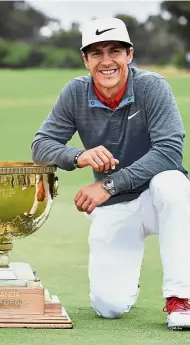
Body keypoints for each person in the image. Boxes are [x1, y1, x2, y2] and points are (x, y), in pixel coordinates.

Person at [31, 17, 190, 330]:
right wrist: (78, 155)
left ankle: (180, 298)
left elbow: (170, 151)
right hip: (117, 207)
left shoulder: (152, 86)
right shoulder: (75, 92)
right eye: (96, 53)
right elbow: (41, 146)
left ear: (129, 55)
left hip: (157, 201)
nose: (107, 61)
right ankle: (126, 283)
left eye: (115, 51)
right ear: (85, 60)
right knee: (110, 306)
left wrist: (109, 184)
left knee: (173, 184)